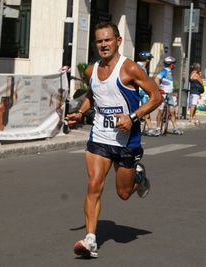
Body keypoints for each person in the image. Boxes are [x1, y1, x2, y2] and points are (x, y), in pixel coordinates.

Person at [66, 22, 161, 259]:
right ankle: (90, 240)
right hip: (100, 136)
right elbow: (93, 95)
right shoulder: (91, 71)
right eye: (99, 41)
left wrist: (132, 117)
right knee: (94, 184)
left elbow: (156, 97)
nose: (103, 45)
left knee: (124, 193)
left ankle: (140, 177)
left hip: (127, 139)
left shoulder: (130, 69)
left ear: (118, 41)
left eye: (108, 40)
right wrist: (80, 112)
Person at [154, 56, 183, 135]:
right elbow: (156, 79)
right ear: (170, 64)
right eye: (173, 63)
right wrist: (160, 88)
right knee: (160, 112)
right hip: (163, 94)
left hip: (169, 94)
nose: (174, 65)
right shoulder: (164, 71)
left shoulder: (169, 72)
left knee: (172, 112)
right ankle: (158, 128)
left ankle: (175, 128)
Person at [137, 51, 156, 136]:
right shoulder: (138, 67)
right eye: (149, 59)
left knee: (145, 110)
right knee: (143, 111)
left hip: (143, 92)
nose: (150, 61)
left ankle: (149, 128)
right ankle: (149, 129)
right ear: (147, 59)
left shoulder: (143, 68)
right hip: (139, 92)